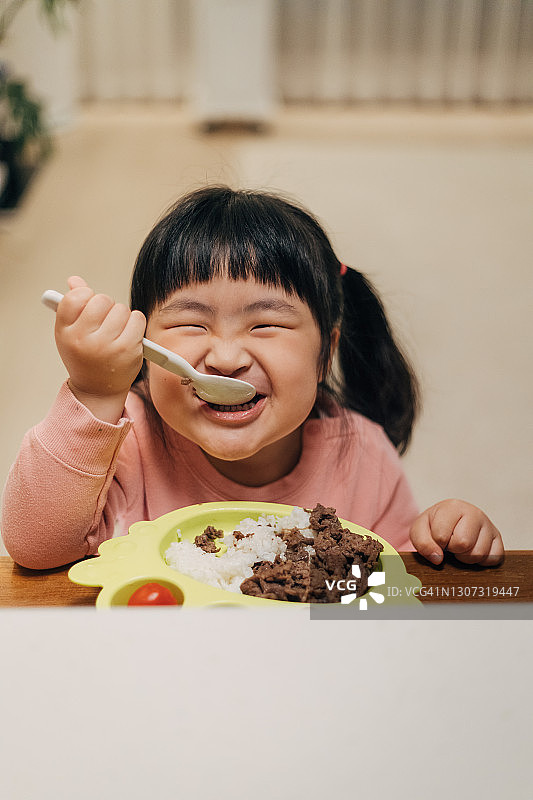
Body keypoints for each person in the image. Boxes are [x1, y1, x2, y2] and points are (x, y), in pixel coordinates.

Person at [1, 186, 503, 570]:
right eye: (191, 323)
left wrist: (440, 539)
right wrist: (92, 393)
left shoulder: (362, 454)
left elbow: (381, 590)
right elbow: (34, 546)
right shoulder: (127, 439)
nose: (224, 356)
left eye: (264, 325)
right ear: (143, 343)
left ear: (326, 352)